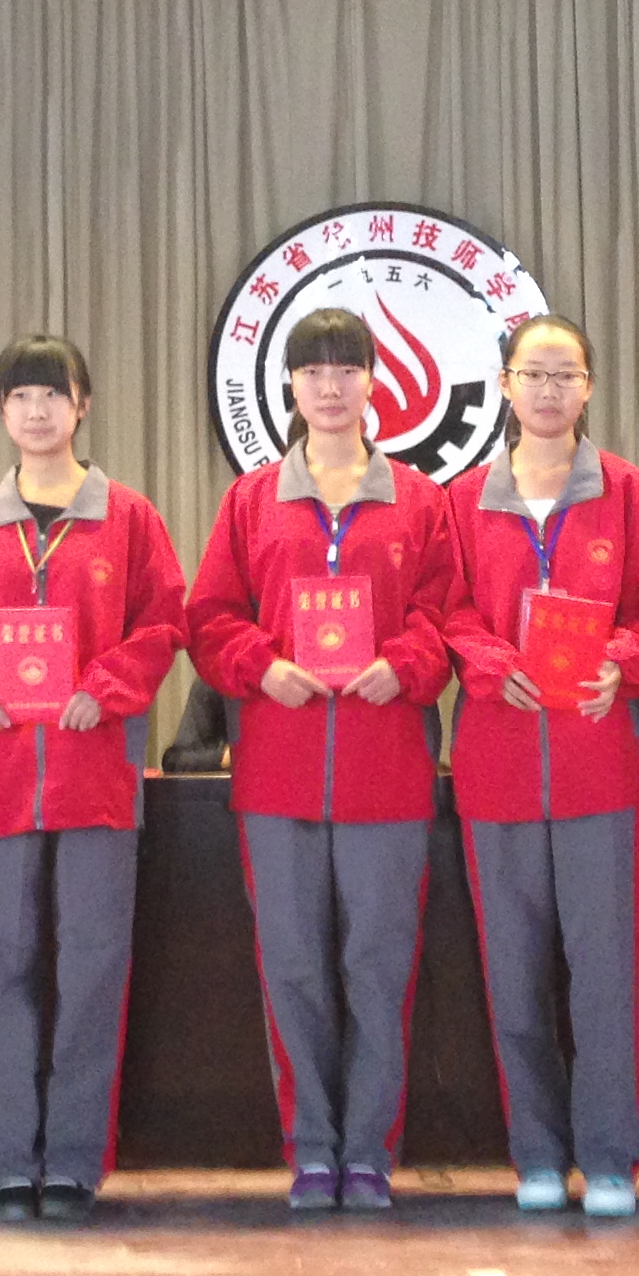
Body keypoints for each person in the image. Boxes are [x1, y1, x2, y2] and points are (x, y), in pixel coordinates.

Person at [185, 306, 459, 1214]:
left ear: (375, 382)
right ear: (291, 386)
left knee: (379, 966)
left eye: (347, 369)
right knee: (294, 967)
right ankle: (310, 1147)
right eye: (313, 371)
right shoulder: (251, 500)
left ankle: (370, 1150)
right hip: (278, 769)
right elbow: (209, 617)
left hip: (388, 769)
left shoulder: (420, 500)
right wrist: (261, 665)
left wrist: (405, 665)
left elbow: (446, 615)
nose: (331, 386)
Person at [0, 336, 188, 1220]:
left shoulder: (130, 519)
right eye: (20, 397)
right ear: (1, 411)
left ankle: (73, 1160)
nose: (37, 412)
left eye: (53, 395)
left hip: (94, 772)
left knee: (92, 968)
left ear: (83, 405)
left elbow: (163, 623)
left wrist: (104, 688)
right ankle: (7, 1162)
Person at [438, 312, 639, 1218]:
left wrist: (623, 662)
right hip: (497, 767)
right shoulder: (463, 499)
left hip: (599, 765)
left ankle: (609, 1158)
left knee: (606, 973)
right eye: (532, 373)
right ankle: (535, 1153)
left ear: (589, 388)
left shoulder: (626, 490)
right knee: (515, 975)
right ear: (504, 385)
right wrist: (492, 664)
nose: (547, 389)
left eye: (565, 374)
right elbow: (448, 611)